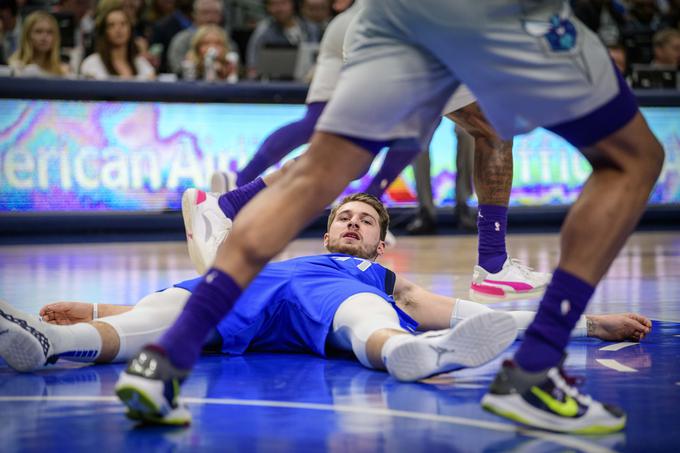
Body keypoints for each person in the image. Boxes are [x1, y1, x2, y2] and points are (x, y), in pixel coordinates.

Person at [119, 0, 665, 434]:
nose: (354, 227)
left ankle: (167, 359)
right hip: (488, 12)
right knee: (632, 158)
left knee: (322, 172)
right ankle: (535, 365)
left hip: (387, 13)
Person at [0, 186, 650, 424]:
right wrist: (89, 303)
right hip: (252, 294)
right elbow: (168, 306)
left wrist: (595, 324)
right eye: (343, 216)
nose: (350, 223)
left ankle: (404, 354)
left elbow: (465, 315)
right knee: (154, 316)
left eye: (363, 220)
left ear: (381, 240)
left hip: (332, 301)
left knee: (366, 317)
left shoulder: (369, 273)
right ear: (327, 225)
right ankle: (49, 345)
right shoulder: (279, 255)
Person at [216, 2, 548, 301]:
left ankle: (228, 205)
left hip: (375, 30)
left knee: (346, 161)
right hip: (415, 29)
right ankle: (492, 264)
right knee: (493, 128)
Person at [245, 0, 320, 80]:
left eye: (283, 3)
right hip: (276, 86)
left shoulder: (311, 29)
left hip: (307, 84)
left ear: (293, 4)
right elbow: (252, 69)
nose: (278, 9)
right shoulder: (263, 33)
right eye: (272, 4)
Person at [80, 0, 155, 80]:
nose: (118, 30)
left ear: (130, 29)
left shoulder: (142, 64)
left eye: (123, 24)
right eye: (112, 25)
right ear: (105, 31)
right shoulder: (92, 63)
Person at [166, 0, 225, 75]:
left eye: (215, 13)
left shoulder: (227, 40)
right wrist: (198, 65)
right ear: (194, 15)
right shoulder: (181, 40)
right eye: (205, 12)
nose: (210, 17)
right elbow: (176, 69)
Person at [8, 11, 70, 77]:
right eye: (38, 31)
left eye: (49, 32)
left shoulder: (62, 71)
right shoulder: (14, 66)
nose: (44, 37)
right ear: (27, 35)